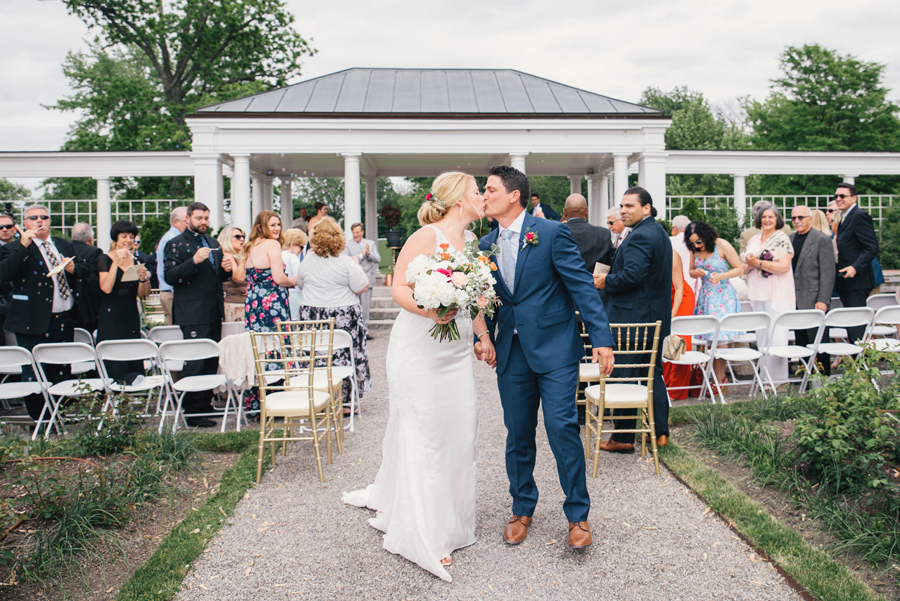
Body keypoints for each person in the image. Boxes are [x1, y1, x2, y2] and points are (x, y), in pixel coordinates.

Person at [343, 171, 495, 580]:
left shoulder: (474, 243)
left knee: (460, 431)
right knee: (425, 433)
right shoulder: (426, 236)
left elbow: (475, 297)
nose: (483, 197)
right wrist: (430, 309)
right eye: (478, 191)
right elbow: (398, 289)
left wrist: (483, 338)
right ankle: (424, 533)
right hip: (419, 349)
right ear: (459, 199)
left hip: (456, 352)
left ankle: (453, 523)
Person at [477, 166, 614, 552]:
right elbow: (486, 297)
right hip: (511, 352)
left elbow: (581, 286)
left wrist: (600, 338)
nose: (483, 196)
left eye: (489, 189)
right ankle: (522, 508)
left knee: (561, 429)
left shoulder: (553, 233)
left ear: (513, 195)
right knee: (518, 435)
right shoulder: (485, 243)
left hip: (556, 349)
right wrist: (483, 335)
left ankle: (578, 515)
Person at [595, 187, 672, 451]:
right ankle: (660, 433)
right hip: (653, 316)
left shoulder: (640, 236)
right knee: (652, 374)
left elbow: (633, 275)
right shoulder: (657, 231)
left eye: (629, 206)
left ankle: (623, 438)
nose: (623, 211)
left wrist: (605, 281)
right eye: (622, 206)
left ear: (646, 208)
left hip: (634, 319)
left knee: (625, 374)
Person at [0, 205, 89, 420]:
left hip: (63, 319)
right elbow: (5, 273)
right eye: (33, 218)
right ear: (25, 223)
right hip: (32, 319)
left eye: (44, 217)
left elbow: (85, 270)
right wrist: (23, 246)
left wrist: (73, 269)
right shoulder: (13, 248)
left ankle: (60, 416)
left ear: (50, 221)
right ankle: (41, 420)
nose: (40, 221)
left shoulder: (62, 244)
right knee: (34, 371)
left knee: (60, 369)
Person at [163, 202, 233, 428]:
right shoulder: (176, 244)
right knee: (195, 360)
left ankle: (205, 403)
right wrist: (193, 261)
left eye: (206, 218)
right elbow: (170, 276)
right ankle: (192, 411)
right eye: (199, 218)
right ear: (188, 219)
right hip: (191, 312)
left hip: (213, 310)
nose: (203, 222)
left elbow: (219, 277)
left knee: (211, 359)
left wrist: (227, 268)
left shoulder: (213, 243)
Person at [297, 217, 371, 411]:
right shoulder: (345, 262)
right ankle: (347, 402)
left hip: (313, 316)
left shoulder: (306, 261)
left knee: (317, 355)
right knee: (345, 355)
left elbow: (300, 284)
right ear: (339, 237)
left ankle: (319, 398)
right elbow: (362, 286)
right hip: (343, 315)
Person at [684, 220, 743, 388]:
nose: (696, 245)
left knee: (720, 337)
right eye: (692, 242)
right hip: (706, 296)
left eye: (699, 241)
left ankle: (719, 379)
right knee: (710, 338)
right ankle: (713, 377)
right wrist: (695, 272)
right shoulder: (694, 250)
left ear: (707, 236)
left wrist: (721, 276)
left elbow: (739, 268)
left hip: (723, 295)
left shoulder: (722, 245)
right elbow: (690, 271)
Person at [742, 206, 796, 386]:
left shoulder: (782, 239)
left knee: (777, 337)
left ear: (777, 219)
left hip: (777, 293)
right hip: (758, 294)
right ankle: (765, 380)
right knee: (762, 337)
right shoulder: (754, 239)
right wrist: (751, 264)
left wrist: (757, 263)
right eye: (763, 217)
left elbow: (784, 267)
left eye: (770, 217)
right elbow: (745, 266)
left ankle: (780, 382)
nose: (766, 220)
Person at [97, 220, 151, 383]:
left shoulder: (136, 260)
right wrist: (116, 263)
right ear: (116, 239)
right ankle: (113, 394)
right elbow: (105, 288)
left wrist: (143, 279)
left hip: (130, 313)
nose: (128, 240)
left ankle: (132, 391)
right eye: (124, 236)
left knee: (132, 354)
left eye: (131, 236)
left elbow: (142, 294)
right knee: (114, 357)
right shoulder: (104, 259)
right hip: (110, 315)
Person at [790, 205, 836, 376]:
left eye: (801, 217)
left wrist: (823, 300)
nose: (797, 221)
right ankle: (805, 378)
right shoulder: (790, 238)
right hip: (795, 299)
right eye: (794, 218)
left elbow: (828, 273)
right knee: (801, 342)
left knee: (818, 343)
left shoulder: (822, 239)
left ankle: (822, 379)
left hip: (814, 300)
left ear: (810, 219)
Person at [833, 183, 879, 343]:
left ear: (854, 198)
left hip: (857, 282)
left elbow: (872, 247)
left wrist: (855, 267)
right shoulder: (845, 217)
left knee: (857, 329)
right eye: (836, 196)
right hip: (847, 282)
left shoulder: (859, 216)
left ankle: (861, 366)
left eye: (842, 196)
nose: (838, 199)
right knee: (852, 327)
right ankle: (857, 365)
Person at [663, 250, 696, 400]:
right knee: (665, 341)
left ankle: (677, 390)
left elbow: (679, 287)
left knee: (680, 341)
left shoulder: (672, 254)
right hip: (664, 298)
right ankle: (665, 384)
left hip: (681, 297)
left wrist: (673, 313)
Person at [343, 222, 381, 339]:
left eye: (358, 232)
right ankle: (354, 330)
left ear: (362, 232)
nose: (355, 235)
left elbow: (378, 259)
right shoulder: (347, 245)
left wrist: (368, 253)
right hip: (354, 280)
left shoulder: (370, 243)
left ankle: (364, 331)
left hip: (368, 279)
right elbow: (347, 261)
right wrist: (361, 255)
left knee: (365, 307)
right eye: (354, 232)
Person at [563, 194, 614, 273]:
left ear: (564, 212)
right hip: (594, 284)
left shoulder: (556, 233)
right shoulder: (603, 234)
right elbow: (612, 263)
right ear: (587, 211)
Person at [156, 207, 189, 325]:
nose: (189, 224)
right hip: (172, 293)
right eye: (186, 221)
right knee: (177, 332)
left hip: (172, 292)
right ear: (175, 222)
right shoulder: (172, 240)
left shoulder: (172, 238)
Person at [70, 222, 103, 333]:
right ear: (91, 238)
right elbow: (94, 281)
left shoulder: (66, 249)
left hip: (69, 303)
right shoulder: (94, 252)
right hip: (87, 305)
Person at [217, 226, 248, 322]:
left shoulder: (238, 257)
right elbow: (238, 278)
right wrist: (245, 256)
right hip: (234, 304)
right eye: (237, 236)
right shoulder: (226, 255)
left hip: (243, 303)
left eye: (243, 236)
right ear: (227, 238)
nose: (242, 239)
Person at [281, 228, 308, 321]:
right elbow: (299, 276)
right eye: (301, 247)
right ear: (292, 245)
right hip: (294, 295)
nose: (301, 251)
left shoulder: (280, 255)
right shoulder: (292, 256)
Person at [670, 214, 700, 294]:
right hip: (692, 285)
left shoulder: (669, 241)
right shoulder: (697, 243)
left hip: (673, 287)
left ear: (675, 228)